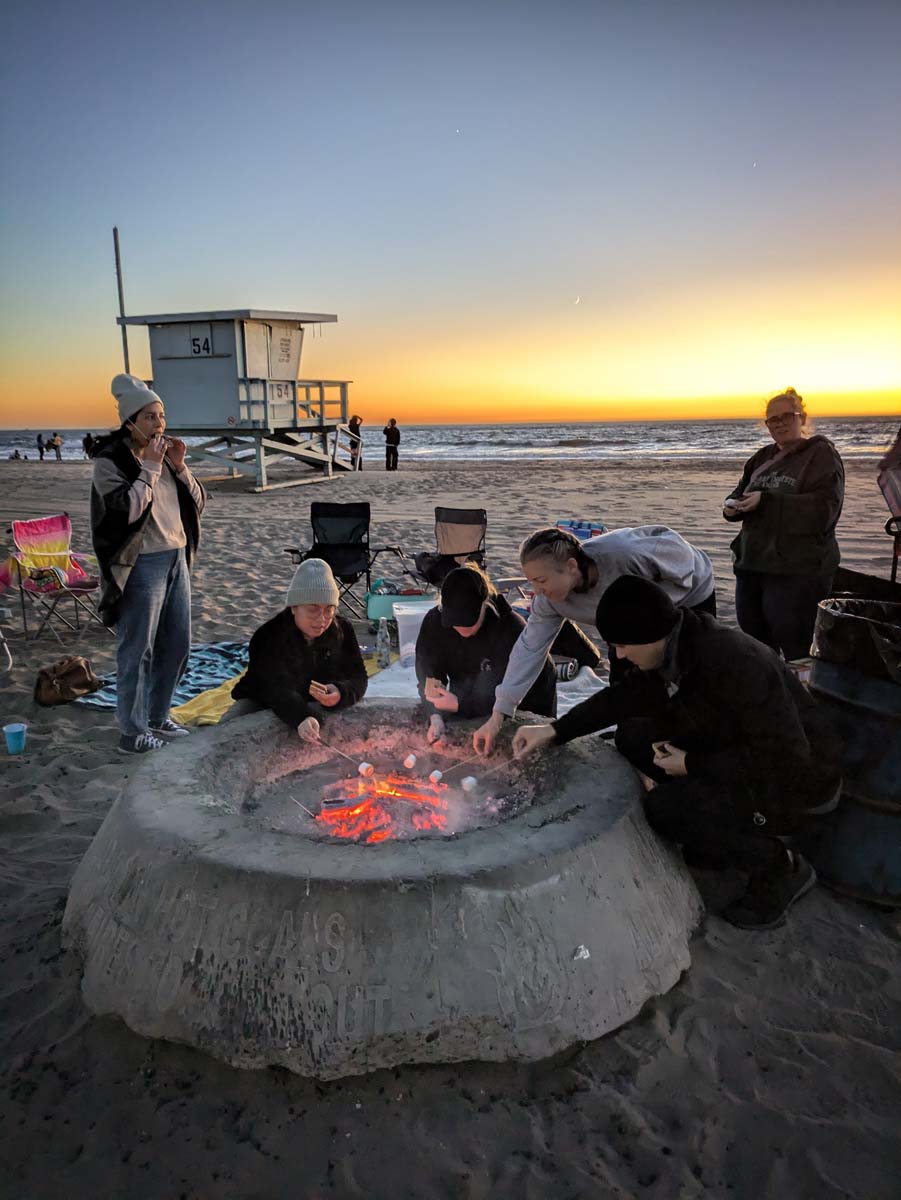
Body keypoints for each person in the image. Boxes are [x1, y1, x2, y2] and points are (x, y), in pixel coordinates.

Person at [513, 576, 840, 930]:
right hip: (740, 747)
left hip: (801, 785)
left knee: (668, 809)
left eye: (623, 645)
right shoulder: (677, 646)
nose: (619, 655)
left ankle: (782, 868)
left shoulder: (734, 663)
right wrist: (555, 730)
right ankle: (717, 836)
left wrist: (691, 763)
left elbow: (786, 758)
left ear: (651, 634)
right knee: (633, 737)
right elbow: (624, 697)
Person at [472, 524, 716, 754]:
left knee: (684, 677)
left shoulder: (621, 555)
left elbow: (679, 554)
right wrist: (500, 712)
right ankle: (634, 739)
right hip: (624, 627)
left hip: (687, 599)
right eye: (531, 581)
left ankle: (687, 746)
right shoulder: (549, 602)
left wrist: (662, 615)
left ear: (570, 566)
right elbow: (529, 649)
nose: (536, 591)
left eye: (542, 581)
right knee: (624, 684)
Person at [90, 374, 205, 754]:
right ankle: (132, 731)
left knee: (177, 644)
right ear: (130, 421)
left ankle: (158, 717)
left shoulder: (166, 458)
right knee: (137, 649)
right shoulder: (110, 462)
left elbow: (197, 504)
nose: (159, 424)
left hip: (176, 556)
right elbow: (125, 511)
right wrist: (151, 468)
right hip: (140, 563)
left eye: (162, 415)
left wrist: (180, 465)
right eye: (150, 417)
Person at [724, 388, 844, 662]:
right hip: (753, 563)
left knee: (794, 640)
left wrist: (766, 502)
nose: (779, 423)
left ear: (802, 418)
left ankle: (799, 699)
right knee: (754, 636)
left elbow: (825, 510)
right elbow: (741, 492)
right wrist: (732, 506)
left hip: (798, 568)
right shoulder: (761, 458)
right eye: (772, 420)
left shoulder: (821, 454)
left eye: (786, 416)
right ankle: (771, 694)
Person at [415, 564, 556, 744]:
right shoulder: (434, 623)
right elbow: (428, 673)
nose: (462, 630)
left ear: (485, 604)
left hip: (529, 694)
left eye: (469, 623)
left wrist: (461, 705)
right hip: (469, 690)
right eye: (454, 624)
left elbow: (511, 692)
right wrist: (435, 715)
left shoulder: (510, 630)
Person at [230, 558, 368, 741]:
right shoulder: (268, 636)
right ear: (294, 607)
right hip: (265, 701)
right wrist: (301, 716)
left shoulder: (342, 631)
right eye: (313, 610)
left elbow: (358, 676)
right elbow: (273, 688)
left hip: (313, 703)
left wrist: (340, 692)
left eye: (329, 610)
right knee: (229, 731)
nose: (321, 619)